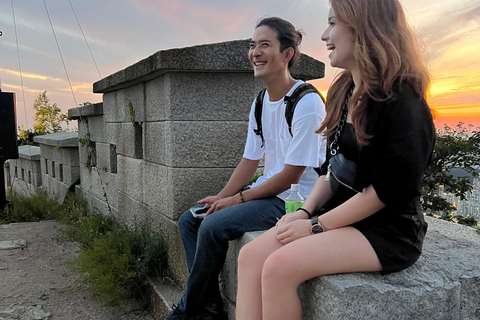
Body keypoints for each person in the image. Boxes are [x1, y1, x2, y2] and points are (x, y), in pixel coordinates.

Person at [235, 1, 436, 319]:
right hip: (340, 215)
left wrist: (316, 227)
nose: (325, 35)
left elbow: (385, 191)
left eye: (333, 23)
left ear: (364, 27)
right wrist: (304, 212)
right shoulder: (345, 89)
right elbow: (332, 170)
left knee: (279, 266)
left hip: (387, 229)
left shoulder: (401, 101)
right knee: (251, 255)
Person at [160, 17, 326, 320]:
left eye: (265, 45)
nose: (255, 52)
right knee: (190, 220)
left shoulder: (307, 102)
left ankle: (188, 310)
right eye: (253, 45)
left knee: (212, 227)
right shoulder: (261, 102)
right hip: (267, 191)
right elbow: (249, 161)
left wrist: (236, 200)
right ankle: (209, 306)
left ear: (287, 54)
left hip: (296, 201)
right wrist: (220, 197)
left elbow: (291, 176)